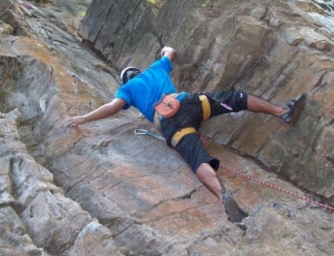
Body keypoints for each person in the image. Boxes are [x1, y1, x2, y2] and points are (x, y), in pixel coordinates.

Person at [63, 46, 306, 222]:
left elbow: (112, 107)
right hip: (189, 104)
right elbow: (171, 50)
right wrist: (163, 51)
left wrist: (83, 118)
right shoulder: (155, 69)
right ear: (138, 70)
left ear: (125, 80)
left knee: (196, 157)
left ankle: (222, 195)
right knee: (235, 99)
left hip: (171, 126)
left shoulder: (126, 89)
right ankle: (281, 111)